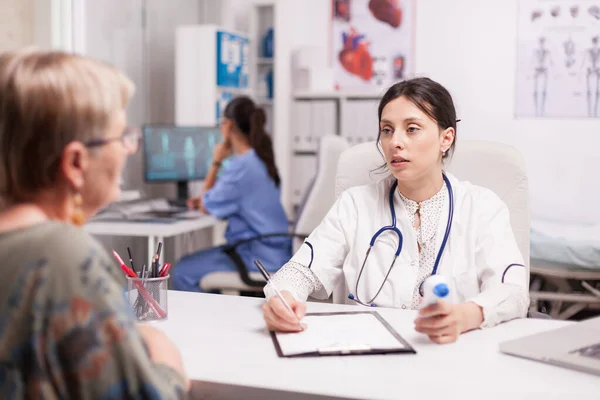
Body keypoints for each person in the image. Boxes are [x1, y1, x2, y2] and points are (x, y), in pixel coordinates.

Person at [261, 77, 530, 344]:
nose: (395, 142)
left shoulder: (482, 207)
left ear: (446, 138)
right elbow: (299, 272)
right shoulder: (355, 205)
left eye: (412, 129)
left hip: (452, 357)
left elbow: (514, 292)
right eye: (387, 130)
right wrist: (283, 299)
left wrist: (465, 316)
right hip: (367, 358)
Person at [0, 49, 189, 397]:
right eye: (121, 137)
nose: (130, 149)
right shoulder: (60, 258)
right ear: (75, 162)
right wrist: (167, 361)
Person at [172, 96, 291, 292]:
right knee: (192, 263)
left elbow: (205, 205)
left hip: (254, 255)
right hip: (274, 252)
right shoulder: (259, 159)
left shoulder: (241, 166)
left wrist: (217, 161)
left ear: (228, 126)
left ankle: (200, 323)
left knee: (182, 270)